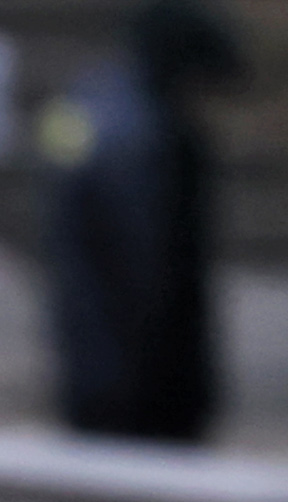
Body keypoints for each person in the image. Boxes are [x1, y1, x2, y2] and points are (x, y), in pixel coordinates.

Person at [40, 0, 244, 444]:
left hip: (89, 361)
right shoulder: (156, 139)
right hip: (142, 385)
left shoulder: (88, 103)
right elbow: (154, 273)